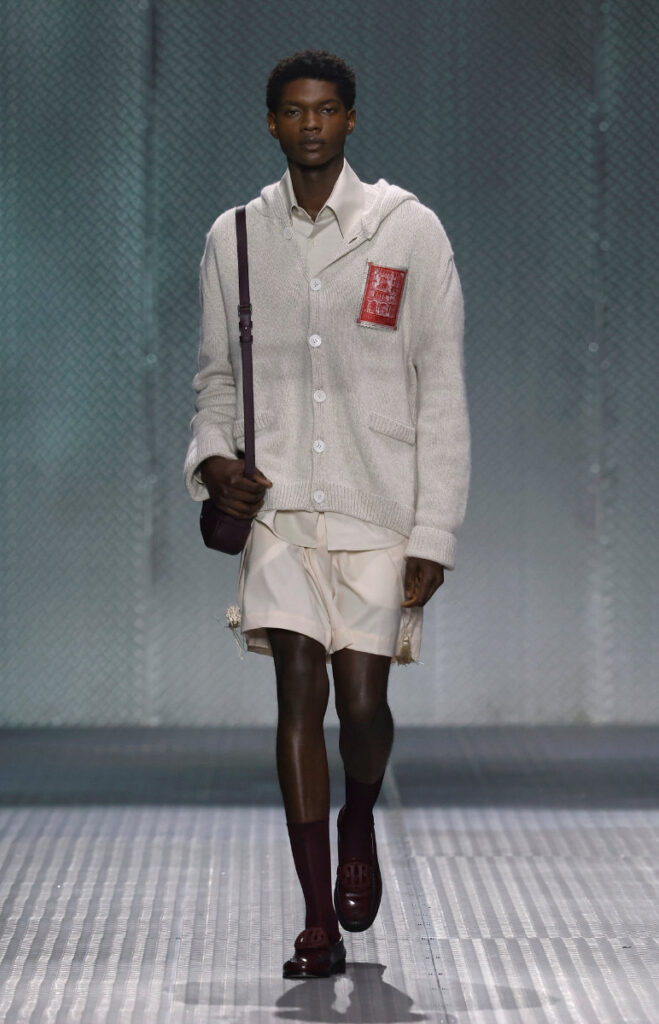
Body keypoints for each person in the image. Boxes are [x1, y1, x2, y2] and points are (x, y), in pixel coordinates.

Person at [184, 50, 470, 979]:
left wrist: (434, 533)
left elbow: (441, 391)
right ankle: (315, 918)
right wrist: (211, 460)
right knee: (298, 694)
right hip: (281, 513)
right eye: (294, 112)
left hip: (378, 508)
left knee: (364, 701)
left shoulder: (407, 230)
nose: (311, 124)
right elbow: (217, 381)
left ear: (350, 120)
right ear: (271, 123)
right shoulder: (233, 236)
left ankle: (358, 817)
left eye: (328, 110)